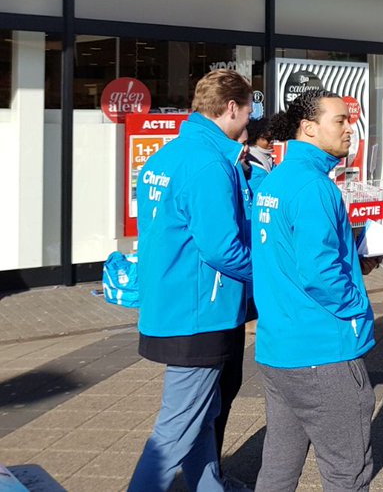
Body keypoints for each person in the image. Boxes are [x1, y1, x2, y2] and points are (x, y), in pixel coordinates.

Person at [129, 70, 254, 492]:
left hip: (171, 304)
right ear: (231, 108)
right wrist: (269, 275)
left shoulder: (167, 156)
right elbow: (221, 247)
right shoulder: (209, 163)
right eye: (248, 111)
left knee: (202, 413)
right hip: (201, 313)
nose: (250, 122)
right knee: (175, 431)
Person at [251, 90, 378, 492]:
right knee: (347, 471)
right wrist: (357, 307)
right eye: (339, 120)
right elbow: (320, 274)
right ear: (308, 127)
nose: (350, 128)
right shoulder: (314, 187)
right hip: (322, 350)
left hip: (280, 348)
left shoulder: (278, 179)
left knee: (279, 465)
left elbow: (294, 257)